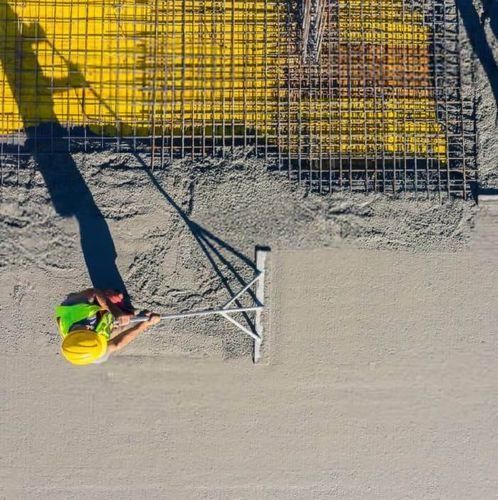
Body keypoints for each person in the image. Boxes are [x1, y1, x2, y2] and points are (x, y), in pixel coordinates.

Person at [55, 288, 161, 365]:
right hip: (99, 325)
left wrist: (114, 311)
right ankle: (127, 315)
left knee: (111, 297)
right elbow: (117, 343)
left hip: (88, 304)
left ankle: (116, 305)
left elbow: (94, 292)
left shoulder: (72, 306)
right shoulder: (93, 351)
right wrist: (146, 324)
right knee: (122, 324)